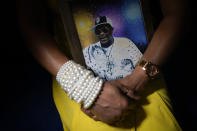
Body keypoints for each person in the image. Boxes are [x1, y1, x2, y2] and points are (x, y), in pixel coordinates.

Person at [17, 0, 188, 130]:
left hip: (145, 82)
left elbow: (177, 12)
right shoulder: (90, 50)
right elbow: (31, 24)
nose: (102, 33)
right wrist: (86, 88)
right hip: (79, 87)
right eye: (98, 30)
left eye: (105, 29)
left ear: (111, 29)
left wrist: (139, 78)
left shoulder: (126, 43)